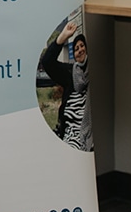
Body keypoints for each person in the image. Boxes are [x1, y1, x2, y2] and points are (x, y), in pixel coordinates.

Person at [39, 21, 93, 151]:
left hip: (91, 137)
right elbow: (47, 62)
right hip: (70, 136)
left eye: (82, 46)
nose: (80, 50)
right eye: (76, 49)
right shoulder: (70, 72)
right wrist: (63, 37)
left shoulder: (97, 69)